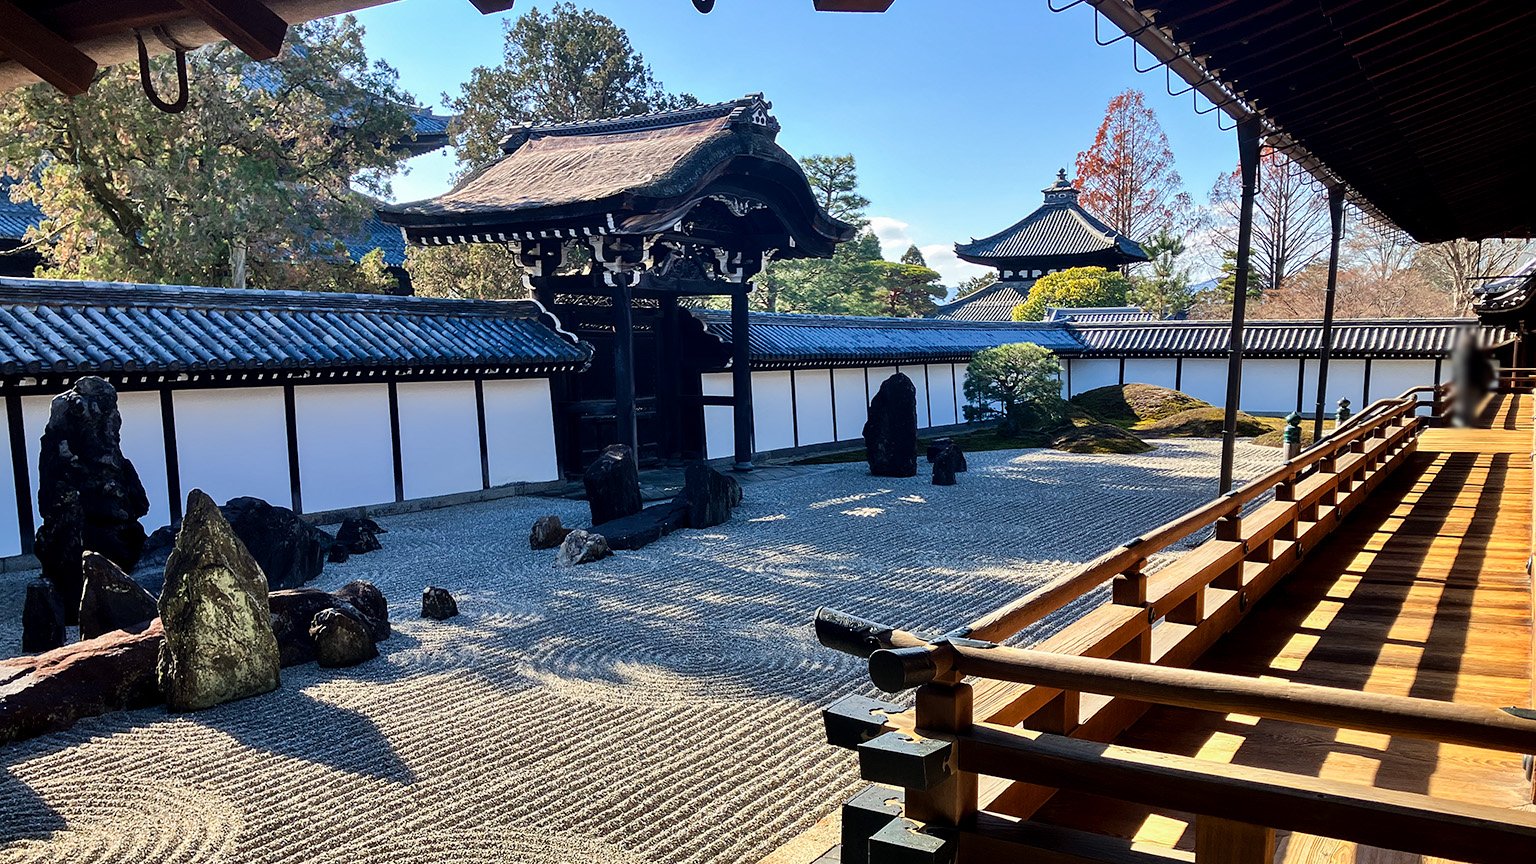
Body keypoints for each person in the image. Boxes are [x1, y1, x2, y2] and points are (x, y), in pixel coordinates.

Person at [1450, 326, 1493, 427]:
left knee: (1466, 403)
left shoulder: (1461, 355)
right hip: (1474, 383)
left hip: (1466, 383)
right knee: (1470, 403)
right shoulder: (1477, 355)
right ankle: (1467, 421)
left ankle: (1465, 421)